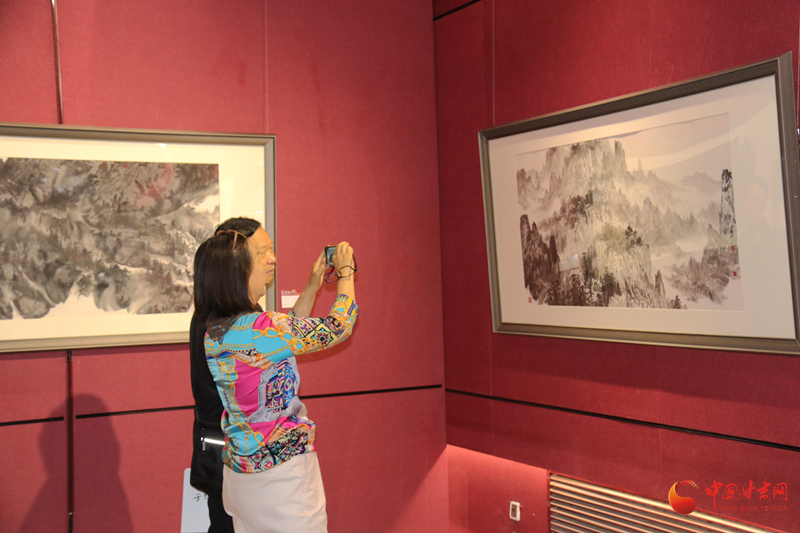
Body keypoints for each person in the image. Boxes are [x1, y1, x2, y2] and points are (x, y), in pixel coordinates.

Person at [192, 216, 358, 533]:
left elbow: (283, 338)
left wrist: (313, 284)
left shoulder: (217, 331)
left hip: (241, 478)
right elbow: (339, 326)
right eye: (259, 256)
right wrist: (346, 272)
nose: (270, 261)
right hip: (280, 482)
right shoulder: (261, 328)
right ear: (237, 272)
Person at [190, 218, 263, 533]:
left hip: (223, 446)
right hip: (233, 449)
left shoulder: (211, 313)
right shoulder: (233, 321)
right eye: (260, 253)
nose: (270, 260)